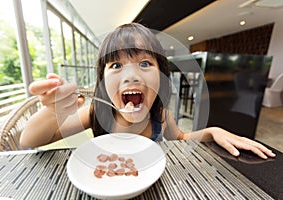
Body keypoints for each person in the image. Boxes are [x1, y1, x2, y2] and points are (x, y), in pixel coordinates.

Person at [21, 23, 275, 159]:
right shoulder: (96, 112)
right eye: (116, 65)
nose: (131, 75)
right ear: (102, 82)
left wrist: (212, 131)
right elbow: (30, 142)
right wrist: (51, 110)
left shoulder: (160, 116)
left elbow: (182, 139)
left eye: (144, 63)